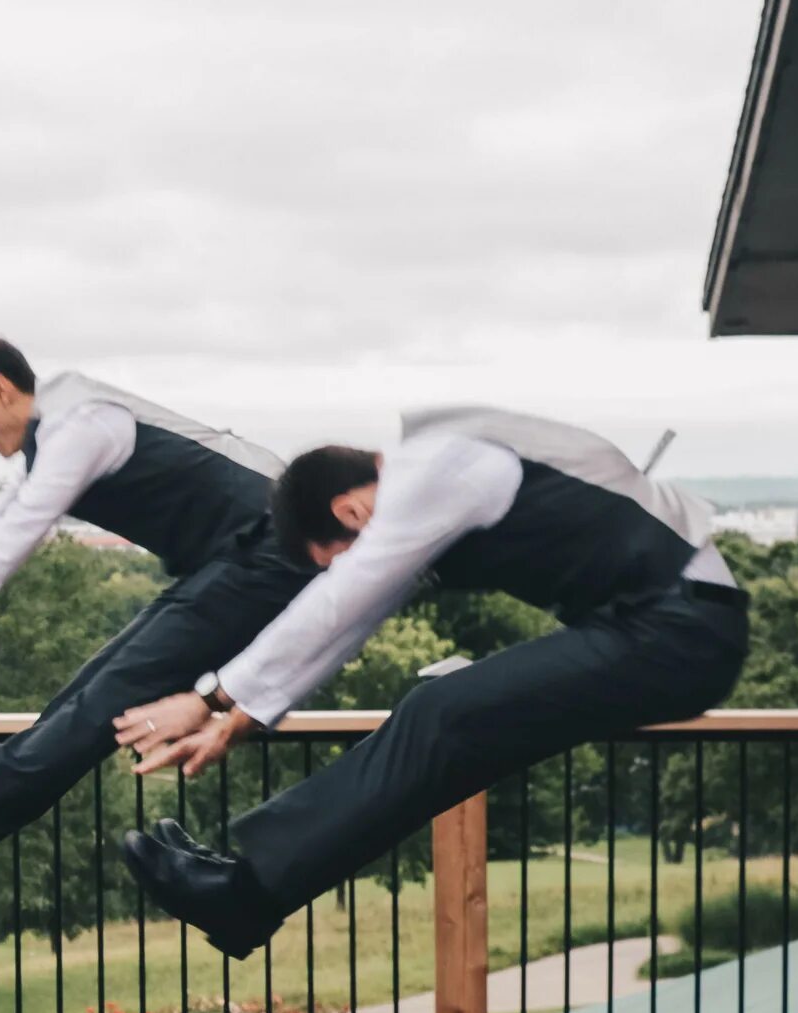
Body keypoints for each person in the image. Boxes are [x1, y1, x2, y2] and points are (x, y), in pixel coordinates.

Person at [113, 405, 749, 956]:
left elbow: (344, 600)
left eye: (337, 551)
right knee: (442, 713)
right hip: (654, 627)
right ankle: (246, 887)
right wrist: (241, 715)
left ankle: (245, 896)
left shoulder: (439, 467)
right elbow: (354, 619)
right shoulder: (434, 482)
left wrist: (208, 697)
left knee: (443, 711)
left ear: (351, 508)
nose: (348, 563)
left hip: (683, 631)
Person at [0, 334, 309, 901]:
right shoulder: (60, 426)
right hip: (232, 564)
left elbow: (8, 545)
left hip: (271, 554)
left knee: (105, 697)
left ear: (0, 389)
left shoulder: (82, 426)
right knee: (86, 691)